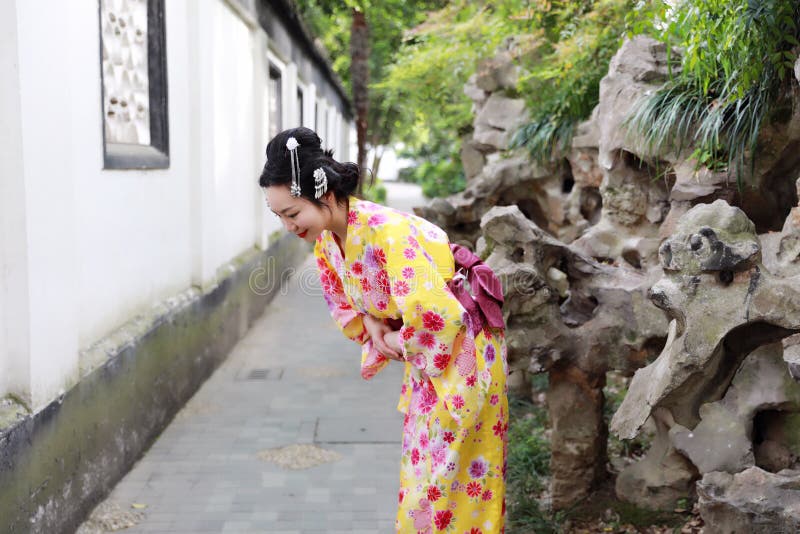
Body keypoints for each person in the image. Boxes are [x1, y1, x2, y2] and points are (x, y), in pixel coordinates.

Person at [259, 127, 508, 533]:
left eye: (292, 213)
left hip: (462, 350)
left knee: (453, 483)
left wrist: (392, 338)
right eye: (279, 216)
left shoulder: (387, 231)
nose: (289, 225)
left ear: (324, 195)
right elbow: (345, 298)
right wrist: (373, 322)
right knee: (422, 479)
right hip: (429, 358)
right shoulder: (328, 241)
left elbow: (438, 317)